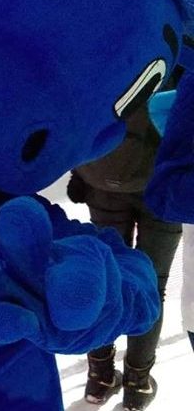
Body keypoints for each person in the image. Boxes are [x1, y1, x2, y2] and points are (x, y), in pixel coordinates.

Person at [67, 102, 183, 411]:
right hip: (162, 180)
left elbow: (75, 112)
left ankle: (99, 377)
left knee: (105, 277)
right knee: (152, 285)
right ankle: (137, 385)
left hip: (102, 173)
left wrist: (76, 169)